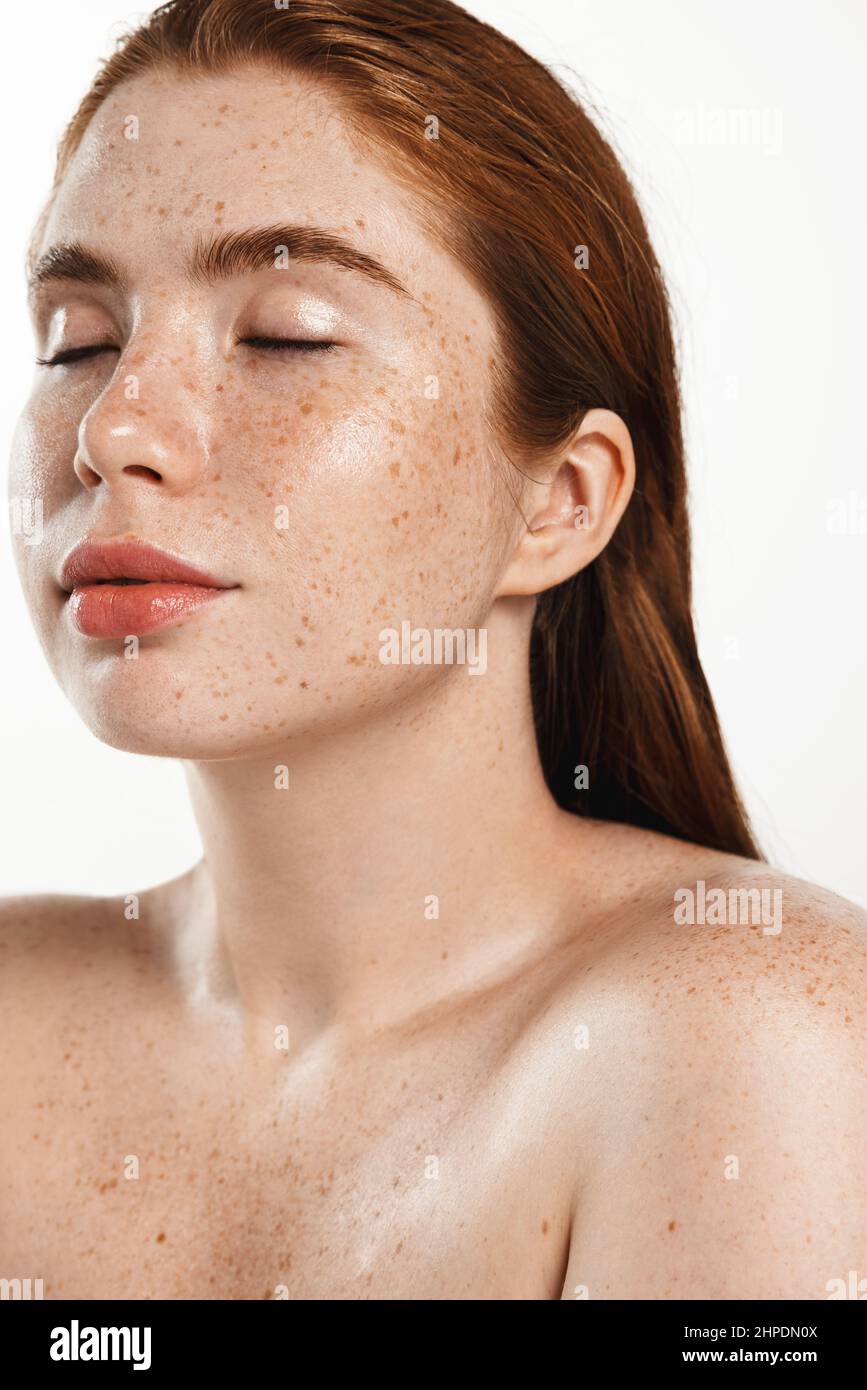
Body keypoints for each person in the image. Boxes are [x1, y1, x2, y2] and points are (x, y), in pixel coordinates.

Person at [4, 0, 865, 1300]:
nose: (115, 429)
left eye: (285, 333)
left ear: (560, 499)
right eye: (80, 338)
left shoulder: (755, 1042)